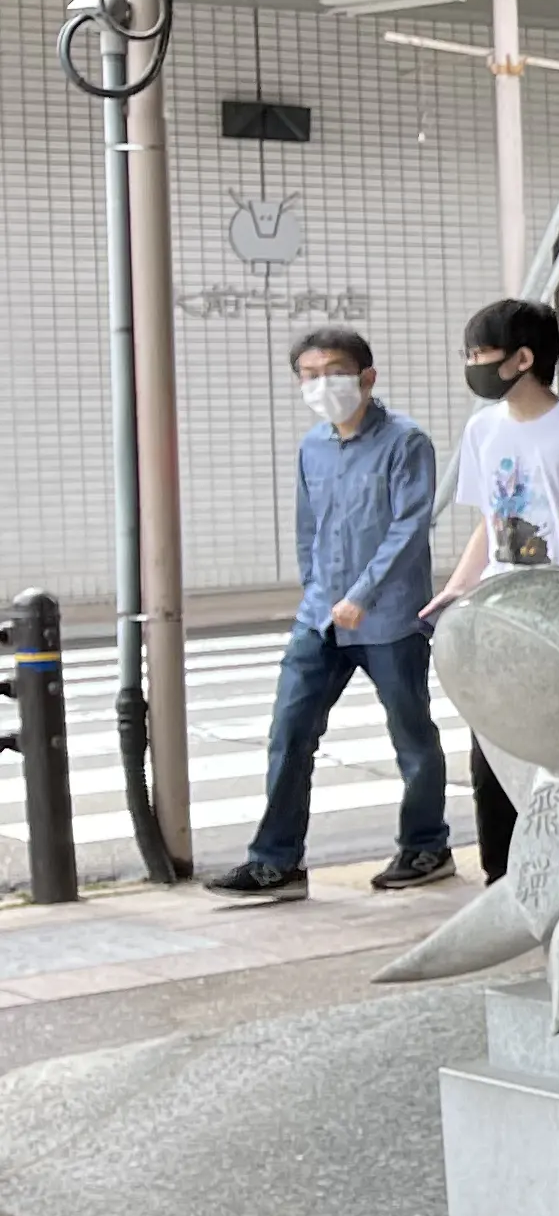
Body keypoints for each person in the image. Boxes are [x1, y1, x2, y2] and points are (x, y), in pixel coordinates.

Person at [205, 330, 458, 902]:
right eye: (309, 374)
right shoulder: (311, 446)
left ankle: (426, 845)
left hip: (389, 618)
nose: (321, 385)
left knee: (411, 736)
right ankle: (276, 862)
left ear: (367, 377)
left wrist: (363, 594)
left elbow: (410, 526)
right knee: (289, 733)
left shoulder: (406, 442)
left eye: (334, 371)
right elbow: (308, 528)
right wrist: (316, 591)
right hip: (319, 617)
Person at [426, 295, 559, 878]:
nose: (470, 363)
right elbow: (489, 524)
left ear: (523, 358)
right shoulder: (482, 430)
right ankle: (503, 874)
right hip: (500, 612)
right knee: (491, 746)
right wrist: (456, 589)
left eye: (480, 353)